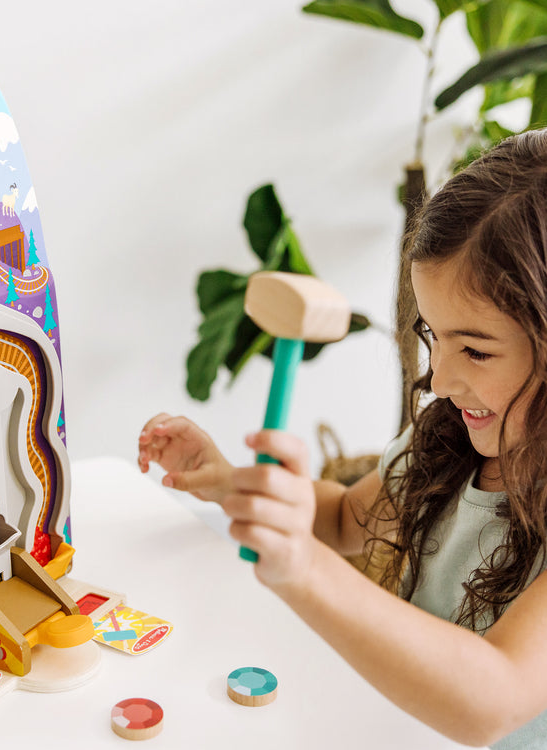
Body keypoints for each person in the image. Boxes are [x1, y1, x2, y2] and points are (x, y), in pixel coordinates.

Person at [137, 130, 547, 749]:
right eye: (433, 335)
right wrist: (235, 485)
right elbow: (337, 520)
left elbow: (495, 699)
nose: (441, 376)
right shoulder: (447, 445)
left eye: (476, 349)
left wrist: (305, 573)